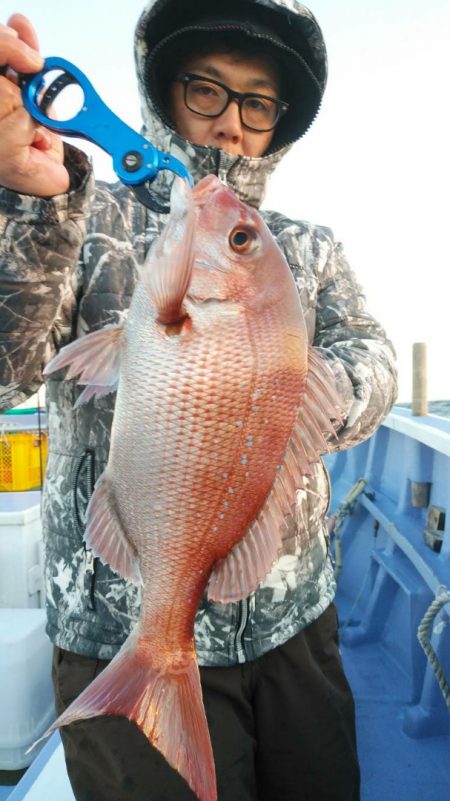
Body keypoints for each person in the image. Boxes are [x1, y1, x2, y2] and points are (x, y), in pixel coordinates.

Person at [0, 2, 397, 800]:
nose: (231, 125)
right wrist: (34, 207)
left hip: (293, 623)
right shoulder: (80, 209)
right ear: (162, 91)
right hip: (119, 629)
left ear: (278, 123)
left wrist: (311, 392)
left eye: (257, 103)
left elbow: (375, 355)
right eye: (207, 90)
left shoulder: (306, 246)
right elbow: (12, 363)